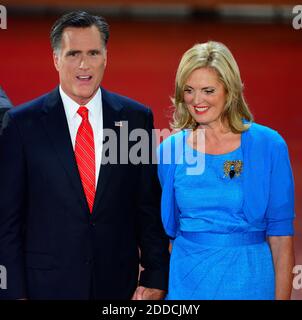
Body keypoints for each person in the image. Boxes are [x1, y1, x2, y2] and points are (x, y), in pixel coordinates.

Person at [0, 11, 170, 300]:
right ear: (56, 59)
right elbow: (7, 221)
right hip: (46, 288)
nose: (83, 64)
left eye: (93, 53)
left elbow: (147, 207)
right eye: (73, 53)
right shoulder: (21, 125)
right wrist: (13, 292)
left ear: (106, 57)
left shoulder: (133, 119)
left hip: (118, 288)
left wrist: (155, 276)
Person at [157, 41, 295, 300]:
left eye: (208, 90)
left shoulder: (269, 146)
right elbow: (165, 234)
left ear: (229, 91)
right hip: (186, 284)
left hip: (250, 281)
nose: (197, 100)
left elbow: (280, 237)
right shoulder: (169, 150)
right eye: (189, 90)